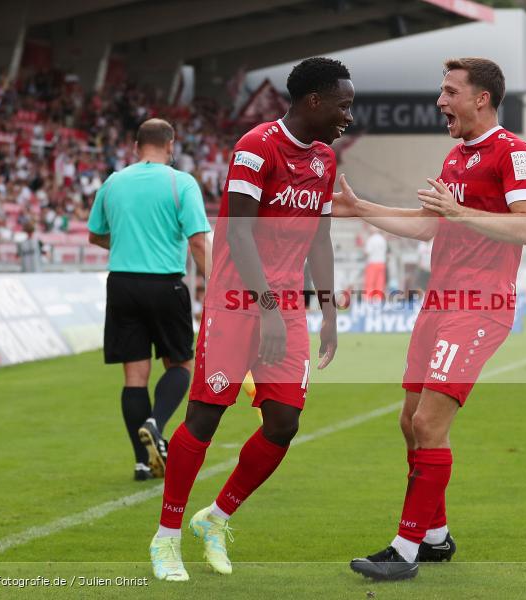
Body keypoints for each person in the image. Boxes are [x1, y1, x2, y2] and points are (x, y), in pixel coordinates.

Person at [334, 57, 526, 581]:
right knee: (409, 422)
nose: (440, 101)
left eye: (450, 91)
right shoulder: (455, 159)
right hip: (438, 304)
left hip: (479, 307)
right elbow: (429, 227)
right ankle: (434, 534)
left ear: (482, 99)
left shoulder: (514, 153)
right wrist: (361, 208)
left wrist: (459, 213)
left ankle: (404, 552)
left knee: (429, 423)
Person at [149, 57, 351, 582]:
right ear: (314, 101)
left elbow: (321, 239)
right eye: (342, 105)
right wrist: (268, 312)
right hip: (237, 301)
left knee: (283, 424)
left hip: (285, 305)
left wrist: (327, 309)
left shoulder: (326, 159)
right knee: (206, 417)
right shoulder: (256, 146)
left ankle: (214, 519)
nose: (347, 116)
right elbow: (237, 235)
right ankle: (166, 537)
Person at [87, 118, 212, 483]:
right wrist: (217, 285)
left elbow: (96, 235)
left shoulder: (113, 182)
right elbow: (199, 242)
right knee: (180, 364)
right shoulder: (180, 183)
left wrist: (128, 244)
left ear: (135, 145)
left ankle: (142, 462)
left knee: (134, 376)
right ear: (170, 145)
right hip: (164, 284)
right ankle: (156, 424)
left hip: (122, 284)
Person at [363, 228, 387, 300]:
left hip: (372, 263)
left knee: (370, 283)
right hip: (381, 263)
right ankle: (378, 300)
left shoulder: (371, 239)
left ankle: (368, 299)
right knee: (379, 283)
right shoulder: (383, 239)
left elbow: (367, 252)